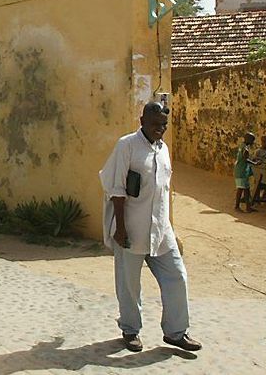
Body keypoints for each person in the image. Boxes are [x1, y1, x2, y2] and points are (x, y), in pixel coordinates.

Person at [99, 102, 201, 353]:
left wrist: (171, 230)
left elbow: (163, 193)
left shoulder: (163, 149)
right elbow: (117, 190)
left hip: (161, 231)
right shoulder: (127, 146)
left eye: (164, 125)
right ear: (141, 120)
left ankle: (176, 332)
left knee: (177, 277)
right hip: (131, 229)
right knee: (129, 284)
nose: (160, 129)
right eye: (156, 124)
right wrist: (120, 228)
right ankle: (130, 330)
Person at [233, 132, 257, 213]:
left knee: (246, 189)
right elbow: (245, 159)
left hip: (242, 170)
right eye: (252, 140)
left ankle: (248, 206)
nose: (253, 142)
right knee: (240, 189)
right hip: (241, 170)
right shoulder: (245, 148)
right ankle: (237, 206)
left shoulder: (242, 146)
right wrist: (255, 163)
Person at [251, 135, 266, 206]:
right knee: (258, 184)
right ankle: (257, 199)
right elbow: (254, 160)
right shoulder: (258, 151)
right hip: (260, 170)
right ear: (263, 142)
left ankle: (264, 196)